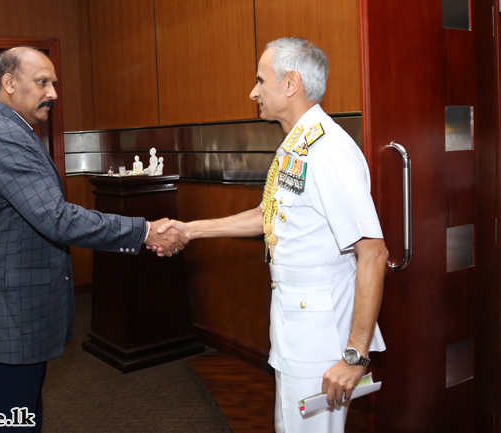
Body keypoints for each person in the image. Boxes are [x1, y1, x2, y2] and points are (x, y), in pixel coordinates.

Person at [154, 37, 388, 433]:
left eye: (261, 80)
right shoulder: (297, 143)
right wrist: (191, 230)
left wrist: (354, 357)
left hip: (321, 337)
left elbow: (374, 252)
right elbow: (271, 216)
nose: (253, 91)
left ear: (291, 83)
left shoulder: (328, 150)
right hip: (295, 323)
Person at [0, 46, 188, 432]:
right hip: (5, 323)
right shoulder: (3, 137)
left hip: (12, 320)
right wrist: (144, 230)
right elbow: (57, 219)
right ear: (10, 83)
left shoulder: (11, 129)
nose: (53, 93)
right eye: (43, 82)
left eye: (54, 83)